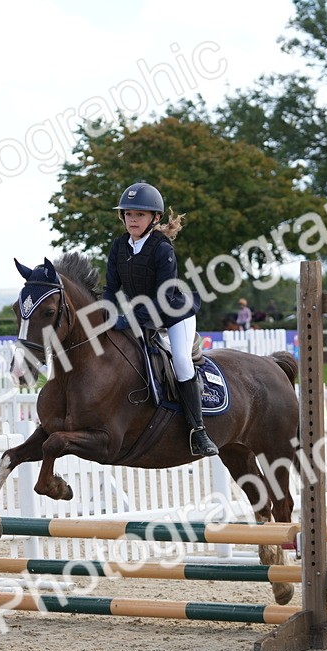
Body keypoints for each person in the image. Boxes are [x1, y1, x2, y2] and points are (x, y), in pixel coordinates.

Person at [104, 181, 217, 457]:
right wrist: (105, 313)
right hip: (144, 315)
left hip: (174, 313)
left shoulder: (161, 248)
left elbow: (164, 299)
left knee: (179, 359)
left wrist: (128, 320)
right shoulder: (119, 246)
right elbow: (110, 288)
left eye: (139, 215)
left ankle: (198, 430)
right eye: (128, 214)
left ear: (154, 218)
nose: (132, 219)